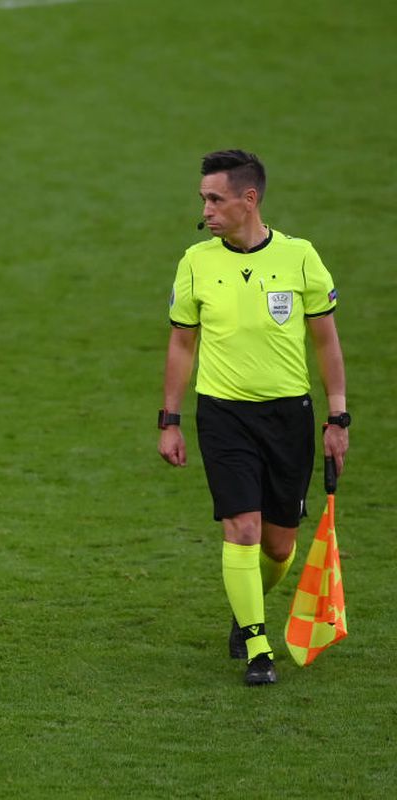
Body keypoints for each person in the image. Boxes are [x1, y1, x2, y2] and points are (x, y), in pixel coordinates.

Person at [158, 149, 349, 686]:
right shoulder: (196, 262)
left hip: (289, 416)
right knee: (241, 527)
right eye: (203, 199)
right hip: (224, 415)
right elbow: (181, 343)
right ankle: (258, 646)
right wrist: (170, 419)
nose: (206, 210)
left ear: (249, 199)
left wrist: (339, 416)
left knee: (279, 546)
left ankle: (246, 608)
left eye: (215, 199)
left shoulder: (300, 258)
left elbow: (326, 342)